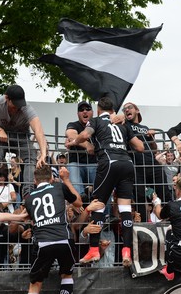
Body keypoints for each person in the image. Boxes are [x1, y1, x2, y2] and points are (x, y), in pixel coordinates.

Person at [7, 165, 82, 294]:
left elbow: (29, 219)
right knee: (66, 275)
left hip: (43, 243)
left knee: (35, 286)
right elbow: (78, 203)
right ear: (51, 178)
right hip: (64, 240)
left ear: (34, 181)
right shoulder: (58, 186)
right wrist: (65, 179)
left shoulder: (29, 198)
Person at [65, 96, 144, 266]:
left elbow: (85, 135)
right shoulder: (122, 124)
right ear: (113, 110)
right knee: (124, 208)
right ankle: (127, 252)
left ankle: (93, 250)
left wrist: (73, 142)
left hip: (109, 162)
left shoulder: (96, 121)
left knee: (98, 204)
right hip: (127, 164)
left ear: (98, 109)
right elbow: (140, 147)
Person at [0, 84, 47, 201]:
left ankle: (28, 193)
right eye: (14, 105)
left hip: (21, 136)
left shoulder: (27, 108)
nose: (17, 108)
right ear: (7, 98)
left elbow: (38, 130)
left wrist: (43, 153)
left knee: (31, 156)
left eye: (20, 105)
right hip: (0, 135)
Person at [122, 102, 171, 223]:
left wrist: (152, 138)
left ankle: (169, 218)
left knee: (164, 191)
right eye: (124, 109)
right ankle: (144, 223)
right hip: (136, 165)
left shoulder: (145, 127)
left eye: (129, 108)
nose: (126, 110)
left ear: (137, 110)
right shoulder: (124, 125)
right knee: (139, 196)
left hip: (151, 163)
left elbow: (154, 149)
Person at [65, 101, 97, 194]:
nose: (84, 111)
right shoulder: (73, 124)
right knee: (77, 192)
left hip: (94, 163)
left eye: (88, 109)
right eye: (81, 110)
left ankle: (98, 207)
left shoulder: (97, 124)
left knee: (100, 193)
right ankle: (80, 205)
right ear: (78, 114)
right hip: (76, 163)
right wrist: (88, 145)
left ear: (92, 112)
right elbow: (71, 135)